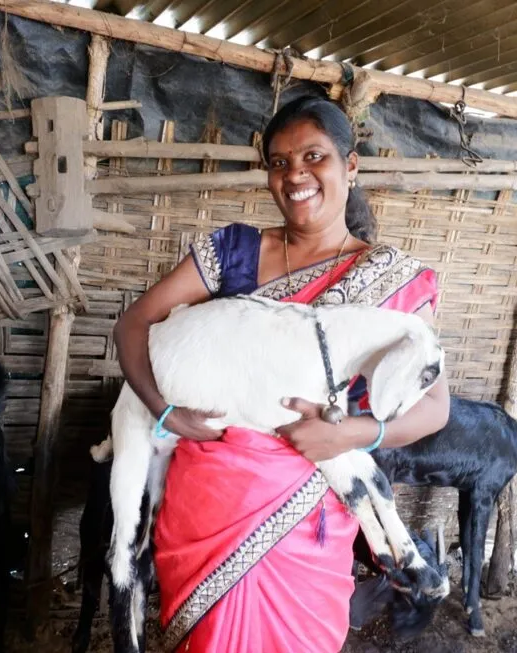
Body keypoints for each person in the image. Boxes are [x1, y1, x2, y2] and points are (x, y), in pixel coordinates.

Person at [112, 94, 450, 653]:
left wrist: (349, 434)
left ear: (351, 165)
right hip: (208, 502)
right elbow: (133, 327)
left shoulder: (392, 281)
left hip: (313, 512)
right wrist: (164, 409)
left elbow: (435, 408)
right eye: (279, 162)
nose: (296, 175)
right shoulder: (232, 253)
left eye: (314, 157)